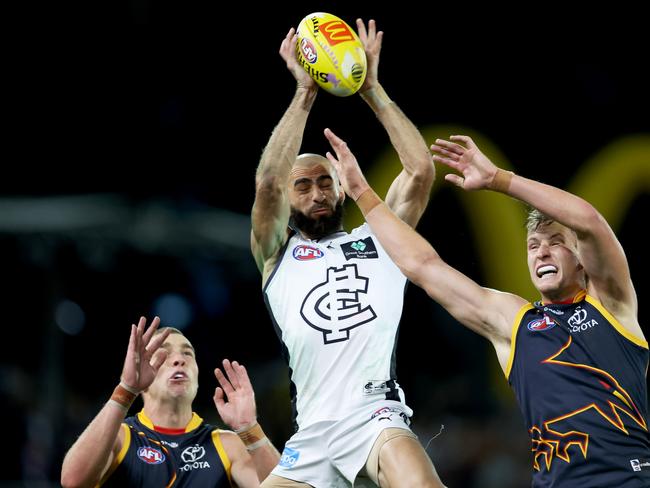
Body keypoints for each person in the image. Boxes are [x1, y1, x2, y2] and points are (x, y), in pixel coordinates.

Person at [323, 127, 650, 487]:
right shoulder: (514, 321)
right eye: (532, 245)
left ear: (582, 260)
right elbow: (424, 266)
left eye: (556, 242)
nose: (541, 251)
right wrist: (362, 193)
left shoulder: (611, 305)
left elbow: (588, 221)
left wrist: (498, 179)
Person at [252, 18, 445, 488]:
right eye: (305, 185)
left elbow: (419, 171)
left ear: (342, 191)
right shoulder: (275, 254)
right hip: (312, 432)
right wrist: (305, 92)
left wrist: (372, 90)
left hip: (374, 415)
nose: (317, 192)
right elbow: (269, 183)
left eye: (326, 182)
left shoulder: (380, 239)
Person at [61, 316, 280, 487]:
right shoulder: (119, 437)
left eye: (188, 354)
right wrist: (125, 389)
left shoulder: (228, 445)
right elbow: (73, 481)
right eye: (164, 354)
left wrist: (251, 429)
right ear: (141, 367)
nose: (179, 359)